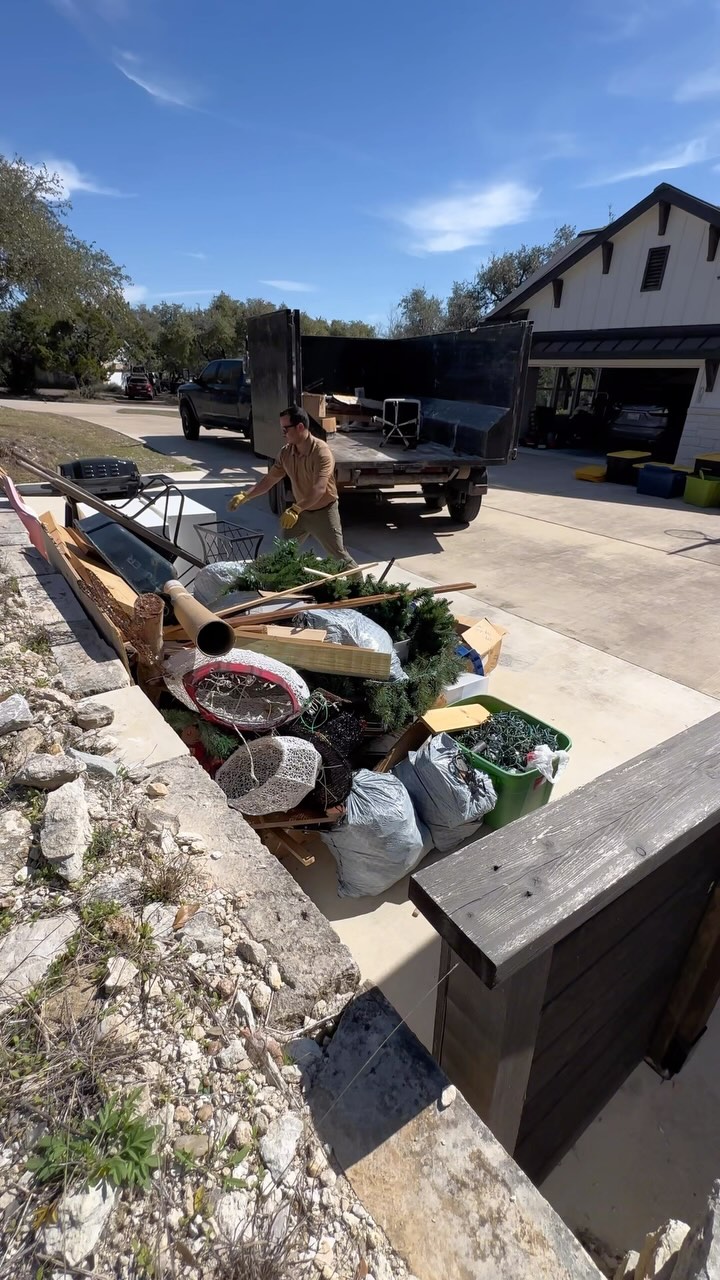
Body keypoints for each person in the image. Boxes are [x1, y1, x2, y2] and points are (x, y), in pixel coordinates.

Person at [227, 405, 356, 566]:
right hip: (299, 514)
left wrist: (295, 509)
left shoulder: (322, 453)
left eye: (285, 429)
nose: (283, 434)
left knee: (339, 556)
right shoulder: (286, 453)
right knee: (283, 553)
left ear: (300, 427)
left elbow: (319, 488)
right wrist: (246, 495)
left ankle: (363, 588)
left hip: (324, 512)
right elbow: (269, 480)